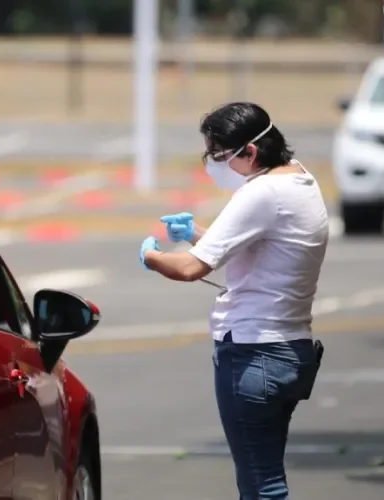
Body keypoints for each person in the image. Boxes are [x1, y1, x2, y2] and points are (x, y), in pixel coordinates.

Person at [139, 102, 329, 500]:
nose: (214, 165)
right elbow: (258, 247)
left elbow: (191, 269)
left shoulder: (262, 192)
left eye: (220, 156)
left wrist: (152, 256)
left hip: (254, 355)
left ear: (251, 152)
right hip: (289, 350)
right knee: (267, 478)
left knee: (262, 488)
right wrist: (197, 233)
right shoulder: (299, 180)